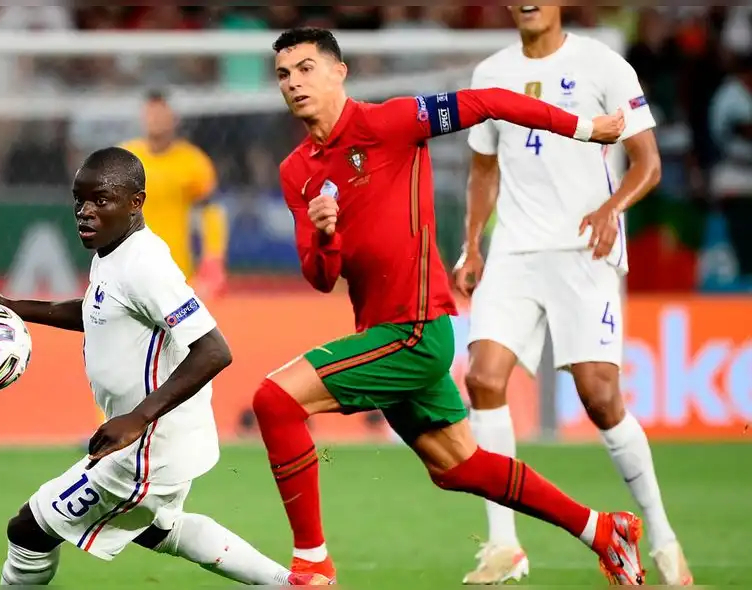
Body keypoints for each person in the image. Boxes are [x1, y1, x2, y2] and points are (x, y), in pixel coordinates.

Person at [255, 26, 646, 586]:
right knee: (457, 467)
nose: (294, 83)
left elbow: (487, 102)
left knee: (274, 401)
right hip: (383, 331)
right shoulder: (298, 171)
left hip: (416, 330)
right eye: (284, 75)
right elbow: (320, 277)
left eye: (306, 68)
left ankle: (311, 562)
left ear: (339, 72)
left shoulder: (391, 122)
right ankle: (604, 530)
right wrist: (324, 235)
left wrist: (584, 128)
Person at [0, 147, 330, 587]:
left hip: (146, 447)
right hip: (151, 440)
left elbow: (213, 350)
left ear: (136, 202)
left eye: (100, 200)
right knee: (158, 530)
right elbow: (95, 310)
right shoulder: (114, 251)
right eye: (79, 200)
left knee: (28, 531)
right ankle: (294, 585)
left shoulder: (145, 265)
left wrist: (137, 418)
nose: (85, 212)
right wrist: (11, 306)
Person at [456, 7, 691, 586]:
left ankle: (662, 537)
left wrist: (612, 209)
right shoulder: (490, 73)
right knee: (482, 379)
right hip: (512, 250)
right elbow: (483, 169)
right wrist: (471, 246)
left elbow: (648, 163)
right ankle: (504, 545)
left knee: (600, 397)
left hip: (584, 249)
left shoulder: (603, 64)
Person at [121, 90, 227, 298]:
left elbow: (211, 213)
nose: (156, 119)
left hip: (177, 271)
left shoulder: (193, 162)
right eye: (151, 113)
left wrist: (213, 258)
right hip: (130, 272)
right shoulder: (125, 159)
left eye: (161, 113)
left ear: (174, 118)